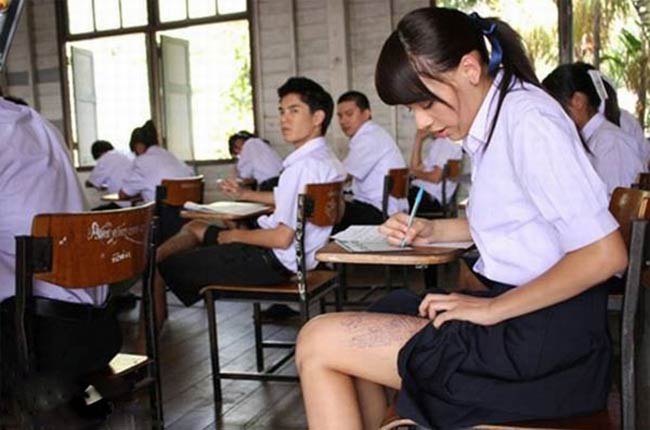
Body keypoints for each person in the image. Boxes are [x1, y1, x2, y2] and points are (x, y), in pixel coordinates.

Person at [295, 7, 628, 430]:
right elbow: (523, 220)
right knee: (384, 310)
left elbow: (605, 254)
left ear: (470, 68)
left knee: (317, 341)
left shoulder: (529, 121)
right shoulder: (500, 117)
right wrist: (432, 229)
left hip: (541, 345)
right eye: (412, 109)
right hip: (532, 321)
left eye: (426, 102)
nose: (422, 120)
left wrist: (492, 310)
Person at [156, 77, 345, 312]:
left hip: (273, 262)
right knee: (197, 228)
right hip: (303, 260)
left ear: (317, 118)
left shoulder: (301, 167)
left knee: (162, 266)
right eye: (282, 111)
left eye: (294, 111)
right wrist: (244, 193)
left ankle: (149, 324)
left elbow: (281, 239)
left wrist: (232, 236)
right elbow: (299, 202)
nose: (283, 119)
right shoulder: (326, 160)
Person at [0, 98, 120, 426]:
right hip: (99, 326)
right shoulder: (37, 123)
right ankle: (79, 399)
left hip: (41, 336)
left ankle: (46, 406)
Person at [543, 63, 644, 197]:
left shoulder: (611, 143)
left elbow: (616, 205)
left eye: (553, 107)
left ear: (578, 101)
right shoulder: (591, 140)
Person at [333, 90, 408, 233]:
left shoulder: (368, 137)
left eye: (349, 114)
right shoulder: (373, 133)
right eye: (340, 116)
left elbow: (341, 176)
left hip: (380, 212)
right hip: (387, 209)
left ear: (367, 113)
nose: (343, 121)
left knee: (327, 212)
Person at [119, 120, 194, 203]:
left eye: (134, 151)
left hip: (164, 209)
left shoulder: (141, 162)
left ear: (139, 146)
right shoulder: (169, 155)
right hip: (189, 208)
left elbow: (124, 194)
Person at [409, 128, 462, 213]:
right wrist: (418, 139)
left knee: (392, 201)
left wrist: (413, 173)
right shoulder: (439, 143)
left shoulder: (447, 143)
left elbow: (435, 177)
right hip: (422, 193)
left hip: (429, 197)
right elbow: (416, 168)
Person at [85, 140, 134, 210]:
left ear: (98, 153)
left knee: (93, 212)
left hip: (123, 203)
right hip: (138, 201)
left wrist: (88, 183)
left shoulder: (105, 158)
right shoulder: (125, 153)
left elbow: (91, 183)